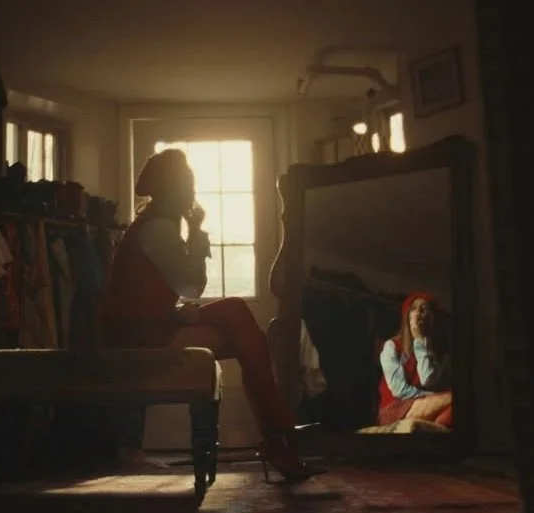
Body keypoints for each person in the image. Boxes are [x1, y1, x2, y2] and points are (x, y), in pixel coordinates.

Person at [100, 149, 325, 482]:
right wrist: (197, 232)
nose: (193, 189)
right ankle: (280, 438)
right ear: (176, 187)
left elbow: (159, 292)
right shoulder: (158, 229)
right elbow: (192, 286)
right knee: (242, 329)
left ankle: (278, 437)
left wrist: (177, 314)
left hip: (147, 327)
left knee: (242, 330)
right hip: (137, 335)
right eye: (188, 182)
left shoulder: (154, 225)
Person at [375, 292, 453, 429]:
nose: (420, 312)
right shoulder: (392, 346)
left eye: (426, 308)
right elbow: (399, 390)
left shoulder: (442, 354)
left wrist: (422, 342)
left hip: (427, 403)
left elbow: (427, 379)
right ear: (407, 317)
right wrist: (434, 397)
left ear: (433, 318)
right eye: (414, 308)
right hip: (395, 406)